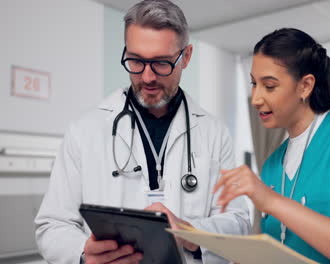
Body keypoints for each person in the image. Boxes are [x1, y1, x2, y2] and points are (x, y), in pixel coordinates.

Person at [34, 1, 250, 263]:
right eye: (136, 61)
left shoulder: (214, 133)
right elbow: (51, 224)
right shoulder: (85, 130)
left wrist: (191, 233)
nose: (147, 77)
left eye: (161, 63)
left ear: (186, 56)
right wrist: (82, 255)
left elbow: (238, 223)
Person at [213, 28, 330, 264]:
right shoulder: (273, 164)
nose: (255, 99)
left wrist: (272, 201)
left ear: (305, 86)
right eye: (254, 84)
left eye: (269, 86)